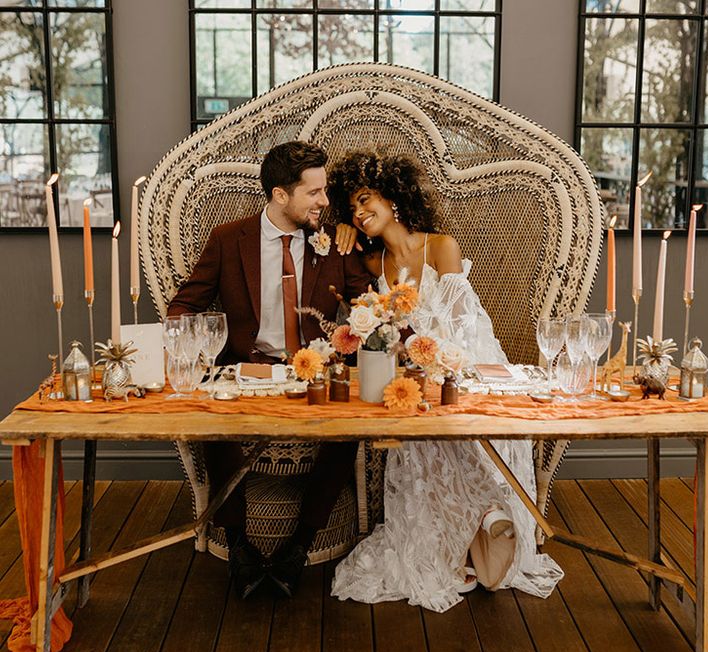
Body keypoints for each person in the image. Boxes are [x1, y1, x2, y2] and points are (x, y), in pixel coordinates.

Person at [326, 151, 563, 612]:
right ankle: (481, 522)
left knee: (446, 415)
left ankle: (483, 522)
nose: (359, 212)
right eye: (351, 207)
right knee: (419, 419)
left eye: (365, 199)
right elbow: (369, 325)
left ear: (392, 196)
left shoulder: (441, 246)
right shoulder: (373, 265)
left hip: (464, 363)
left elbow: (466, 325)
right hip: (412, 378)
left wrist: (433, 359)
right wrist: (342, 231)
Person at [167, 141, 372, 600]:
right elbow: (184, 306)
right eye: (314, 192)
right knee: (215, 423)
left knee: (350, 425)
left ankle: (298, 547)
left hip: (314, 373)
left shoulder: (333, 241)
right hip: (247, 371)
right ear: (281, 195)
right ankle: (240, 547)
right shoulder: (228, 239)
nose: (324, 201)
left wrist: (370, 335)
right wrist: (195, 352)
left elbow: (371, 307)